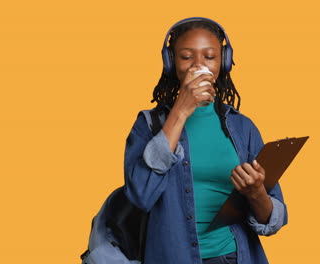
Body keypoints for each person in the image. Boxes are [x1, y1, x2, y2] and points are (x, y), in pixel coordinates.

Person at [123, 17, 287, 264]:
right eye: (187, 57)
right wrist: (180, 111)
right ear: (170, 63)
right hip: (172, 257)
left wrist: (256, 193)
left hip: (235, 256)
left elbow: (273, 221)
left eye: (209, 57)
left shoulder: (242, 128)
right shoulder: (148, 125)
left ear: (224, 62)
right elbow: (140, 196)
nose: (197, 66)